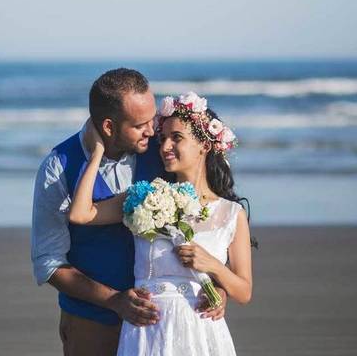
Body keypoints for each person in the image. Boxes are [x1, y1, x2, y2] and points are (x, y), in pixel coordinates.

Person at [31, 69, 226, 356]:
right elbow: (49, 264)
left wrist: (219, 287)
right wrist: (113, 300)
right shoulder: (58, 167)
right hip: (92, 325)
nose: (152, 130)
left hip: (162, 327)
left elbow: (206, 214)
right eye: (140, 125)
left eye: (152, 120)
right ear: (109, 127)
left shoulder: (162, 150)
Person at [69, 91, 253, 356]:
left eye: (176, 137)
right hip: (147, 330)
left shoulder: (231, 213)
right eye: (162, 138)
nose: (165, 146)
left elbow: (244, 291)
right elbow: (80, 214)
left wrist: (212, 266)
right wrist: (96, 153)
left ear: (204, 145)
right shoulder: (144, 197)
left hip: (201, 329)